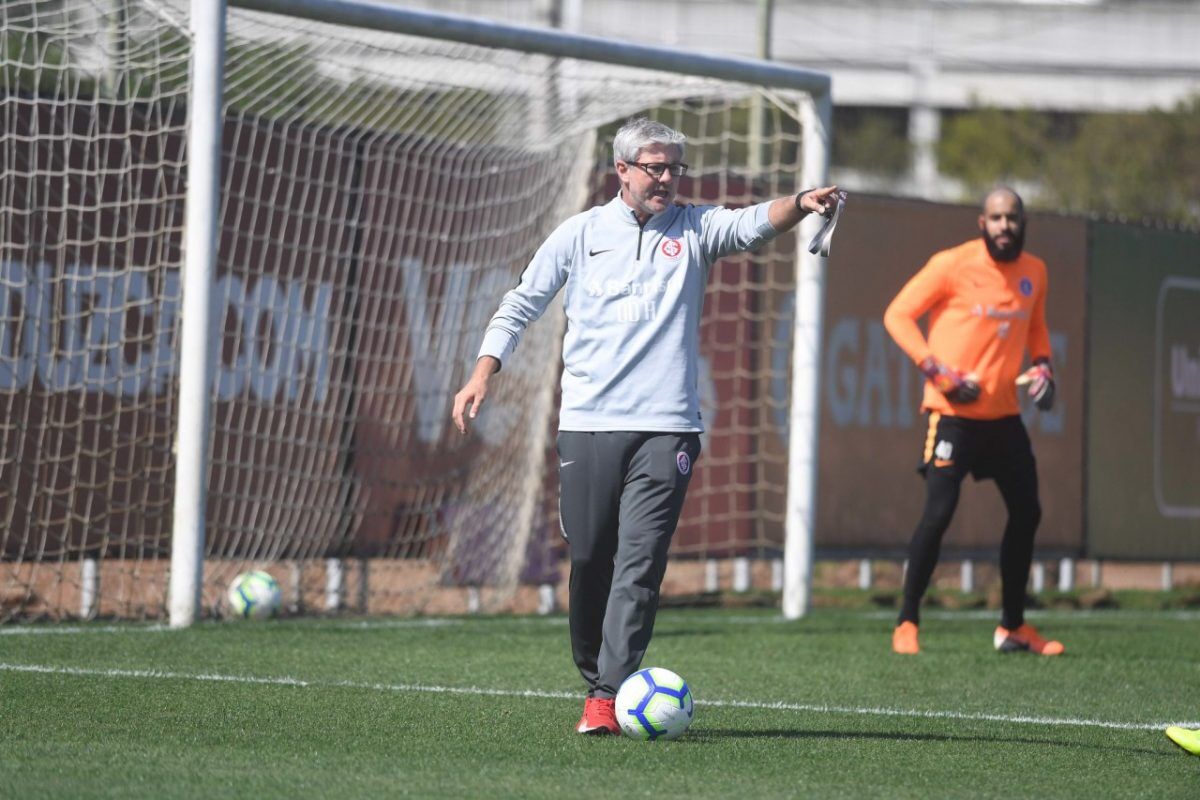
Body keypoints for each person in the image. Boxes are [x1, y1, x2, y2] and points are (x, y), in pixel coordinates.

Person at [451, 117, 841, 734]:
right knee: (591, 560)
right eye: (654, 167)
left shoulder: (694, 228)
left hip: (668, 429)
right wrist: (482, 373)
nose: (666, 179)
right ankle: (594, 670)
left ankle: (607, 695)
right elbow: (521, 301)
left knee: (639, 564)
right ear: (623, 171)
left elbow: (748, 224)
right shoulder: (579, 235)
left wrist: (800, 202)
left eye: (674, 168)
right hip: (588, 425)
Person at [883, 187, 1062, 657]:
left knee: (1028, 512)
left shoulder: (1035, 272)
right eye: (997, 218)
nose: (1005, 225)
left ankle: (1013, 628)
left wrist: (1043, 365)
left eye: (1013, 218)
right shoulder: (952, 264)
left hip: (1004, 416)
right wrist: (937, 371)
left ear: (1023, 222)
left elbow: (1037, 327)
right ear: (982, 223)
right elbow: (897, 315)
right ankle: (906, 621)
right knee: (939, 513)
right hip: (952, 416)